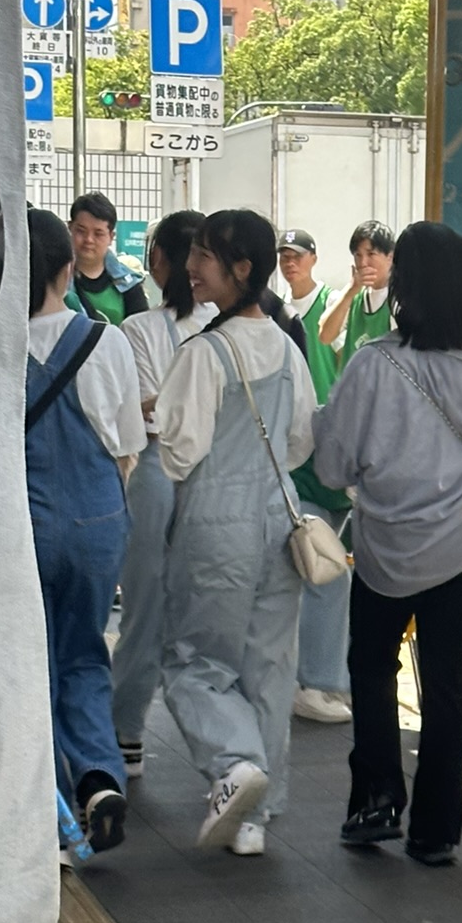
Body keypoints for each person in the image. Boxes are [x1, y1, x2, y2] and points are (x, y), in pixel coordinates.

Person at [313, 222, 462, 867]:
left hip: (383, 549)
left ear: (403, 286)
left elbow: (333, 467)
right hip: (460, 549)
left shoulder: (372, 363)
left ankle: (376, 801)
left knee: (371, 669)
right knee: (446, 685)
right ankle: (436, 831)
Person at [154, 210, 318, 856]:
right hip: (280, 516)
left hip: (215, 522)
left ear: (242, 268)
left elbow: (179, 453)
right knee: (268, 668)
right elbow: (300, 441)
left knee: (193, 662)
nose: (191, 267)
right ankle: (255, 818)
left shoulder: (203, 353)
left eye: (204, 256)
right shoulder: (287, 346)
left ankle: (234, 763)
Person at [26, 209, 146, 858]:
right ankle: (99, 779)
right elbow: (127, 447)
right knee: (84, 655)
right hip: (99, 521)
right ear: (68, 268)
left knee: (33, 669)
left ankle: (55, 825)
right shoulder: (107, 341)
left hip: (26, 525)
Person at [112, 211, 214, 780]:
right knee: (201, 610)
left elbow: (149, 407)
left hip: (157, 470)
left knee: (145, 607)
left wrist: (168, 401)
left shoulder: (140, 330)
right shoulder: (223, 327)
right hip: (206, 472)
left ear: (159, 261)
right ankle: (220, 750)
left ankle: (126, 732)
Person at [279, 229, 352, 725]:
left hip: (334, 452)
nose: (290, 263)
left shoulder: (332, 306)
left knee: (331, 574)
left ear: (314, 258)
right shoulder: (278, 313)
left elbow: (337, 347)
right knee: (323, 571)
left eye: (297, 255)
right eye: (283, 256)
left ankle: (326, 678)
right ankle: (317, 681)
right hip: (302, 460)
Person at [319, 219, 395, 368]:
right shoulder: (354, 296)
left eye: (371, 254)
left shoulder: (398, 300)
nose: (363, 263)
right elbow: (325, 336)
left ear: (390, 257)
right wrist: (350, 291)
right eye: (358, 255)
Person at [67, 192, 149, 324]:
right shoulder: (53, 280)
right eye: (81, 231)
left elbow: (140, 332)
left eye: (98, 233)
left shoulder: (129, 285)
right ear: (70, 228)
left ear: (111, 237)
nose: (89, 239)